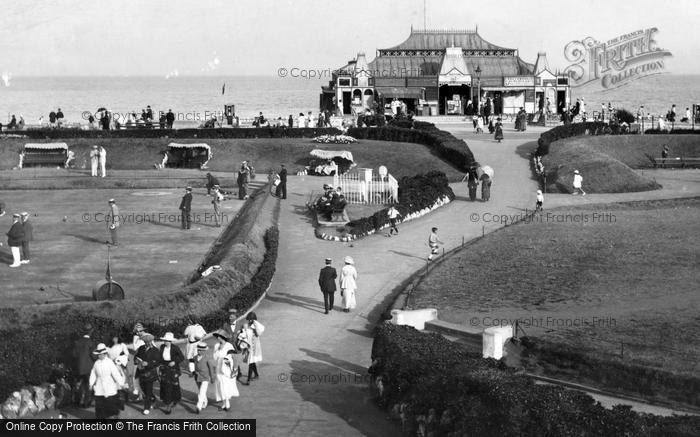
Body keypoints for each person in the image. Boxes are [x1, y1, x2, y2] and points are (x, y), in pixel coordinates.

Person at [89, 343, 125, 419]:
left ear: (105, 354)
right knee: (99, 404)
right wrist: (91, 383)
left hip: (109, 385)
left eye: (102, 354)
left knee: (110, 403)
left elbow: (115, 373)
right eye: (99, 354)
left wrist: (121, 383)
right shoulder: (96, 363)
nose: (100, 356)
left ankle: (113, 417)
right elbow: (93, 373)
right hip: (99, 385)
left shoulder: (109, 362)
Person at [134, 333, 160, 415]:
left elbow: (157, 362)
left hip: (150, 373)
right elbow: (136, 356)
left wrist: (148, 363)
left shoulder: (155, 350)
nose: (147, 343)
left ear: (151, 341)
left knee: (148, 390)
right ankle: (153, 399)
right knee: (143, 389)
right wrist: (136, 360)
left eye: (149, 341)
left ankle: (146, 407)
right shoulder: (141, 348)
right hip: (141, 372)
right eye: (145, 342)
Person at [158, 332, 184, 414]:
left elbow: (182, 357)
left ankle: (174, 400)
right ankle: (168, 404)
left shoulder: (175, 348)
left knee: (174, 386)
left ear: (170, 341)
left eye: (166, 340)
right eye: (164, 340)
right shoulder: (162, 347)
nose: (165, 342)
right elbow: (159, 357)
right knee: (166, 386)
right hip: (164, 368)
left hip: (173, 369)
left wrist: (174, 362)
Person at [237, 312, 264, 383]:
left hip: (254, 348)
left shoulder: (256, 326)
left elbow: (258, 334)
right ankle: (256, 375)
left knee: (251, 362)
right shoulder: (247, 325)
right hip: (249, 347)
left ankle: (248, 380)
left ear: (253, 319)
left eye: (250, 320)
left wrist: (254, 327)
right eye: (248, 320)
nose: (249, 321)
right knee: (252, 362)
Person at [72, 324, 96, 408]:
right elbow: (94, 356)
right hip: (88, 368)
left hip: (79, 368)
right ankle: (86, 403)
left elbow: (74, 354)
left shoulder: (78, 342)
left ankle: (78, 401)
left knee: (80, 385)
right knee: (89, 385)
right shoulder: (90, 342)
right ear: (91, 332)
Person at [212, 330, 236, 410]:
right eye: (217, 336)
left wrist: (233, 368)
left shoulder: (229, 345)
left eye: (219, 336)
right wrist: (218, 350)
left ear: (222, 337)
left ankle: (227, 403)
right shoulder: (216, 346)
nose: (217, 338)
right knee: (220, 385)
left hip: (226, 368)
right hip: (219, 367)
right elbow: (215, 357)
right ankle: (224, 403)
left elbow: (232, 356)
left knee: (225, 384)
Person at [191, 342, 215, 414]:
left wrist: (212, 377)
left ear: (204, 351)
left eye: (201, 350)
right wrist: (192, 372)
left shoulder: (207, 358)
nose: (199, 351)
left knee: (202, 391)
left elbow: (211, 368)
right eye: (198, 350)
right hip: (197, 377)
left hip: (205, 377)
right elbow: (193, 366)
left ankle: (199, 406)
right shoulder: (195, 357)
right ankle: (205, 401)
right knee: (201, 391)